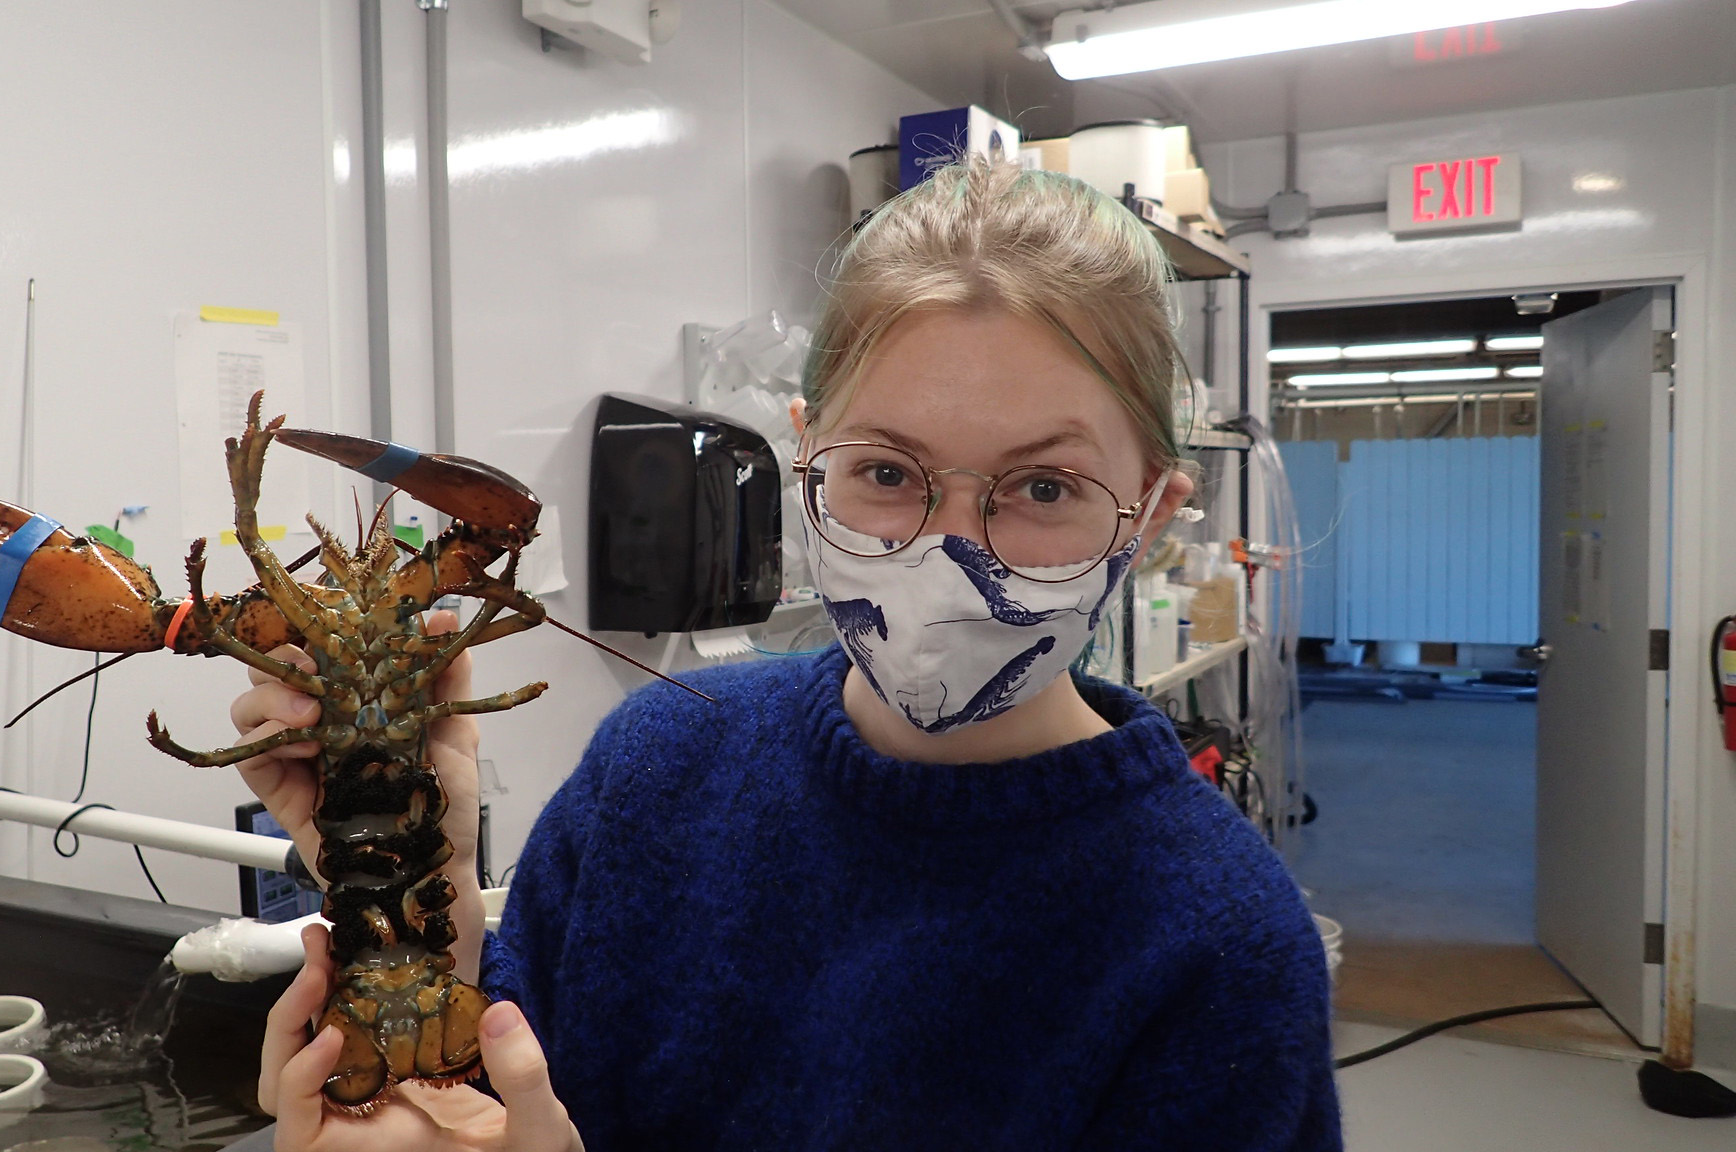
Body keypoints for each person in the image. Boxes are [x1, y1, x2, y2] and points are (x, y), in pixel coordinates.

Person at [232, 159, 1342, 1151]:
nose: (948, 554)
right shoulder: (658, 763)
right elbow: (506, 1082)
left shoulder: (1219, 950)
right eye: (887, 474)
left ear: (1149, 514)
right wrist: (430, 922)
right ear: (804, 457)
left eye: (1040, 488)